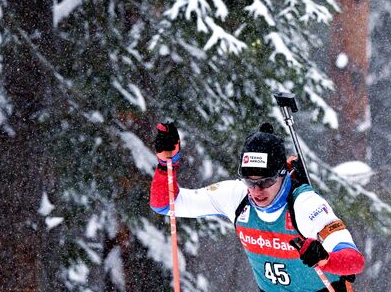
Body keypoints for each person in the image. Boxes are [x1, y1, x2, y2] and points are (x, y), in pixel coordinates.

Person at [149, 121, 365, 292]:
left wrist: (326, 259)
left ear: (283, 174)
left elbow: (355, 261)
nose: (256, 191)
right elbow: (166, 205)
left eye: (265, 182)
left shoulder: (305, 205)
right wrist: (166, 164)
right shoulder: (237, 196)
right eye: (250, 182)